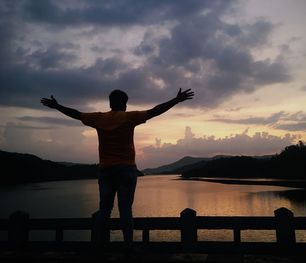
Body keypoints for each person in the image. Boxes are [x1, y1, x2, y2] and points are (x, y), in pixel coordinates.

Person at [40, 88, 194, 250]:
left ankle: (99, 246)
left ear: (110, 103)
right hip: (126, 170)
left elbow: (76, 114)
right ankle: (128, 247)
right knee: (125, 210)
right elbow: (155, 111)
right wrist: (176, 100)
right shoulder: (129, 117)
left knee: (104, 211)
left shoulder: (99, 118)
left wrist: (57, 106)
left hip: (106, 170)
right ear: (125, 104)